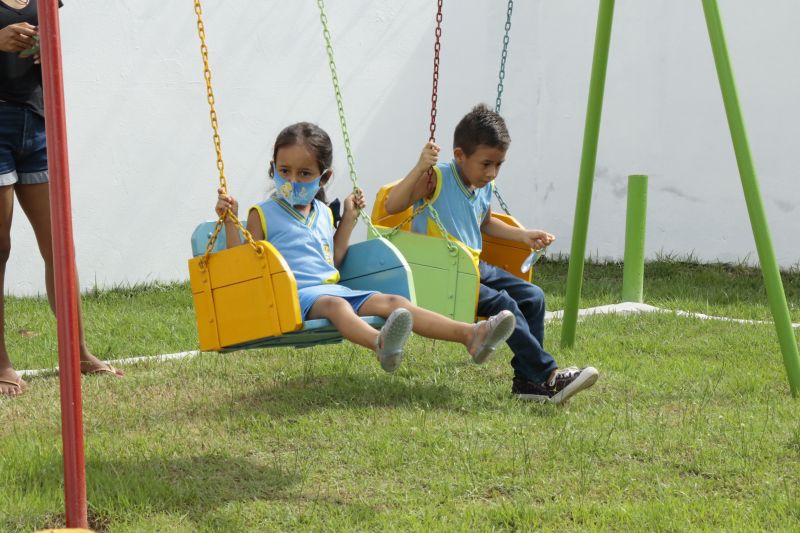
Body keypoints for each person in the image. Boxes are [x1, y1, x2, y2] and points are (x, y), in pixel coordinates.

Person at [215, 122, 517, 372]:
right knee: (336, 306)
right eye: (284, 171)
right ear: (273, 169)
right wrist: (230, 221)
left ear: (324, 177)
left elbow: (333, 261)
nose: (293, 180)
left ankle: (471, 335)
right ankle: (379, 343)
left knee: (394, 301)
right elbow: (242, 267)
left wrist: (348, 219)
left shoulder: (321, 213)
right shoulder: (262, 213)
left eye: (304, 174)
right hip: (292, 296)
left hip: (332, 289)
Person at [384, 104, 598, 404]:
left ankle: (527, 382)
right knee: (504, 304)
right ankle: (548, 375)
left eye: (498, 165)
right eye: (486, 164)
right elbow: (393, 206)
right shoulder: (437, 179)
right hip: (441, 273)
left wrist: (523, 235)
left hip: (473, 266)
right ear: (459, 155)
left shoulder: (482, 185)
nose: (492, 172)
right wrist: (420, 167)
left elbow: (483, 223)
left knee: (533, 297)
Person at [0, 0, 122, 397]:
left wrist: (45, 47)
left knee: (59, 244)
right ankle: (1, 362)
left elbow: (53, 49)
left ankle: (78, 352)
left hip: (35, 121)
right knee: (0, 246)